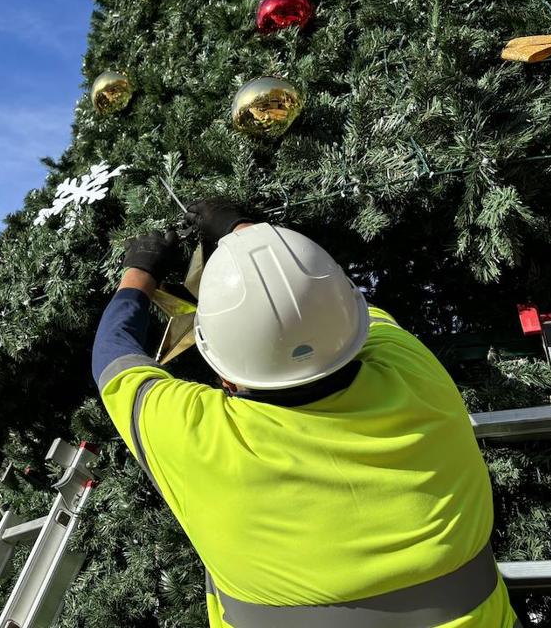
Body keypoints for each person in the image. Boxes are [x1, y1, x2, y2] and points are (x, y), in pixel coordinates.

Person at [93, 200, 520, 628]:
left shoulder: (195, 435)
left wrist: (138, 272)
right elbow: (327, 306)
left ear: (223, 375)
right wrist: (246, 232)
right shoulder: (416, 373)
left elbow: (112, 356)